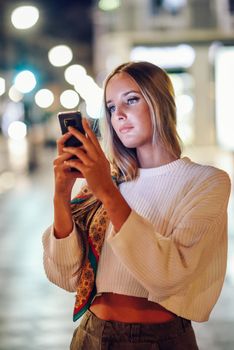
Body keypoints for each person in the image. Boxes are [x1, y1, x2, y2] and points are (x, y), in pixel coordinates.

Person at [42, 61, 231, 349]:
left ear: (161, 102)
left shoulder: (206, 182)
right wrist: (61, 194)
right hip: (91, 335)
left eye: (131, 100)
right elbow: (65, 277)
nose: (119, 115)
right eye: (111, 107)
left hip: (160, 340)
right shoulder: (109, 181)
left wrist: (106, 190)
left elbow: (167, 277)